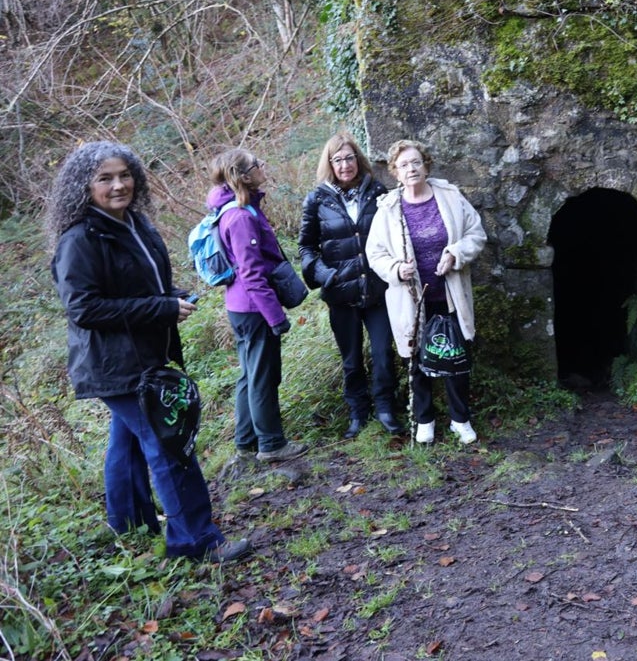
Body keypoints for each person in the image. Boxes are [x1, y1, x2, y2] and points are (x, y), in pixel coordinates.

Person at [48, 141, 250, 563]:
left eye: (124, 175)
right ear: (83, 187)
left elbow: (135, 288)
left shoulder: (134, 223)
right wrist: (160, 307)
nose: (118, 185)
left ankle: (129, 524)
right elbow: (83, 308)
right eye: (105, 178)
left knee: (128, 440)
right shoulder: (80, 239)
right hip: (116, 364)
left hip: (144, 355)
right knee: (169, 443)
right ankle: (196, 541)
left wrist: (171, 296)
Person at [365, 140, 486, 445]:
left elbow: (476, 232)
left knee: (455, 355)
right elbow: (375, 252)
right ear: (395, 172)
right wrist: (395, 270)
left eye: (416, 162)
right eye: (404, 165)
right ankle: (424, 420)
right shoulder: (389, 209)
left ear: (426, 165)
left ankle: (461, 419)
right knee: (416, 356)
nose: (412, 169)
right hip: (411, 299)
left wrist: (456, 253)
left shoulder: (450, 196)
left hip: (449, 294)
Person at [207, 148, 307, 463]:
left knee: (250, 375)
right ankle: (271, 444)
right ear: (243, 176)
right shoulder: (238, 217)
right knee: (263, 376)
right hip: (253, 309)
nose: (262, 166)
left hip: (243, 306)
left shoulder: (237, 209)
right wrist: (276, 317)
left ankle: (246, 441)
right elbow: (252, 273)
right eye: (255, 164)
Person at [299, 133, 400, 439]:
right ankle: (358, 412)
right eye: (338, 159)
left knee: (383, 352)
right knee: (351, 359)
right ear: (329, 164)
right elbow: (306, 248)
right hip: (341, 293)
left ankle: (385, 407)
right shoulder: (317, 199)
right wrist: (324, 274)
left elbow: (393, 237)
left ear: (359, 159)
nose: (345, 165)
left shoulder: (377, 192)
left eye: (350, 157)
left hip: (378, 290)